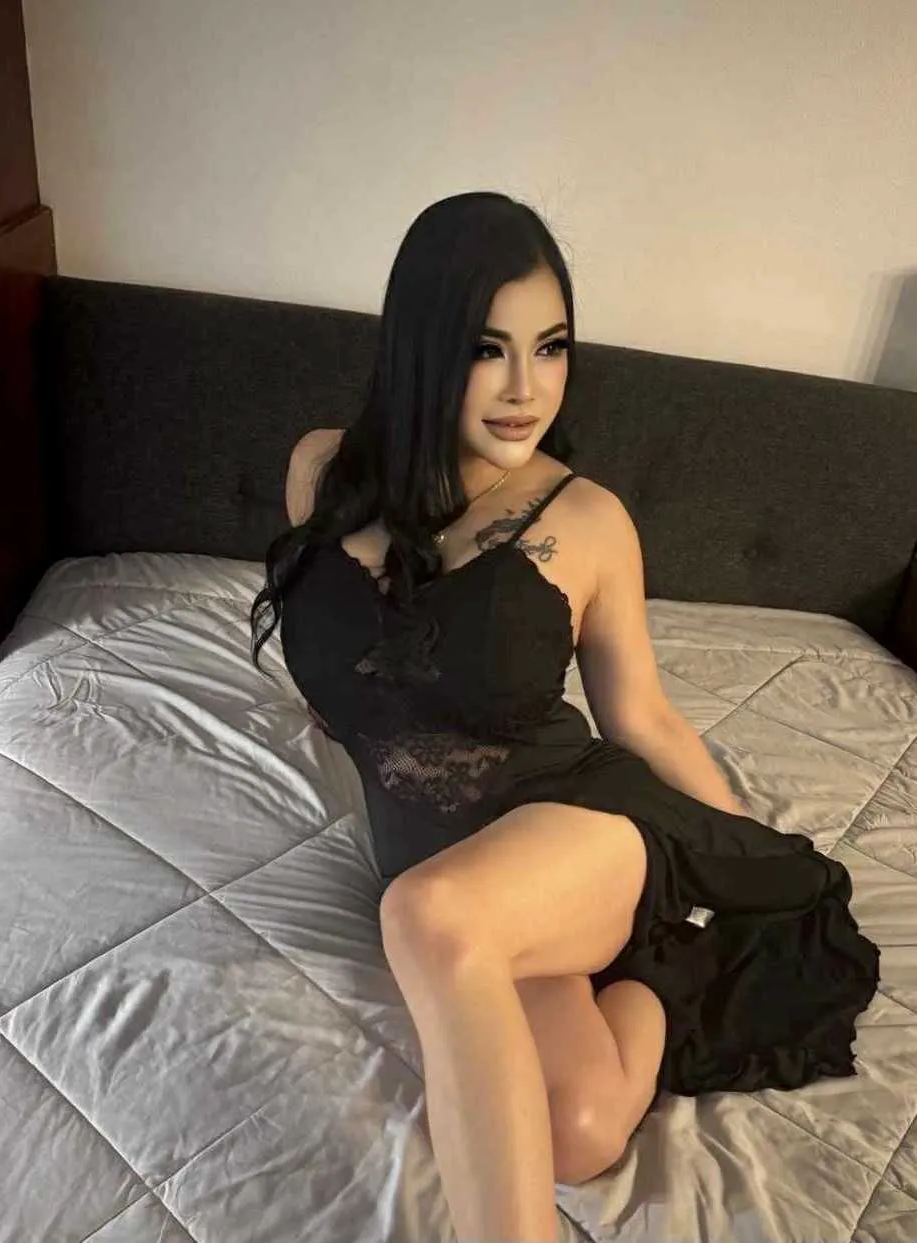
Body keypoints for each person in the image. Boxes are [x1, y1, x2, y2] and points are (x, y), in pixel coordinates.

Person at [249, 191, 880, 1243]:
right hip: (467, 881)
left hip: (574, 827)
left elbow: (641, 717)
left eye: (549, 347)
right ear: (420, 348)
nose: (525, 388)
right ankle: (665, 977)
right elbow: (351, 656)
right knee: (579, 1129)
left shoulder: (585, 520)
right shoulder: (322, 471)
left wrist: (747, 855)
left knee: (425, 916)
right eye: (486, 349)